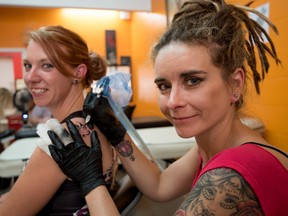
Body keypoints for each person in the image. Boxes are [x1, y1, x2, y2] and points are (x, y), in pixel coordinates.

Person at [48, 0, 288, 215]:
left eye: (193, 81)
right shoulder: (212, 147)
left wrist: (91, 182)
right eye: (164, 85)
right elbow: (160, 185)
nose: (173, 101)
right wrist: (115, 131)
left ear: (235, 84)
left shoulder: (230, 176)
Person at [0, 25, 118, 215]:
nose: (31, 77)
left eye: (47, 65)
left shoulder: (60, 144)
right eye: (28, 65)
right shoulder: (97, 124)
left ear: (78, 72)